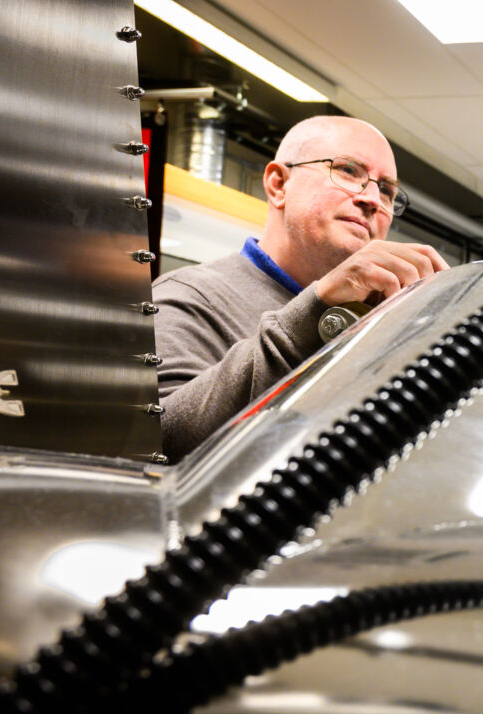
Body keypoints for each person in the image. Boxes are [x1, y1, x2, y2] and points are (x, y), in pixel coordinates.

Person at [152, 116, 449, 460]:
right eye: (349, 170)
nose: (372, 199)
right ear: (279, 184)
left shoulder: (381, 319)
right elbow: (159, 442)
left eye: (386, 190)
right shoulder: (190, 295)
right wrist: (315, 312)